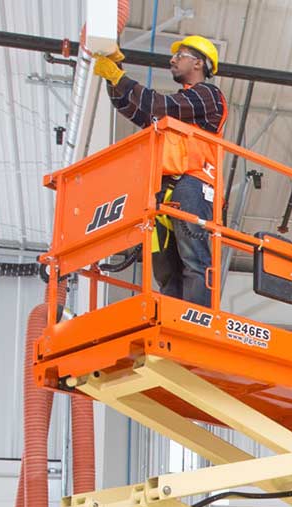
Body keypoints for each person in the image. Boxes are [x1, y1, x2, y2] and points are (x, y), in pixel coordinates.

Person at [91, 36, 227, 307]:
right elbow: (132, 108)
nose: (172, 60)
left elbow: (157, 105)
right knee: (166, 269)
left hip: (195, 184)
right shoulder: (179, 108)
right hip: (167, 189)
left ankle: (197, 319)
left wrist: (119, 77)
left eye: (180, 55)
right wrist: (114, 74)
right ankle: (173, 318)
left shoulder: (208, 96)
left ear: (198, 63)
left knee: (194, 260)